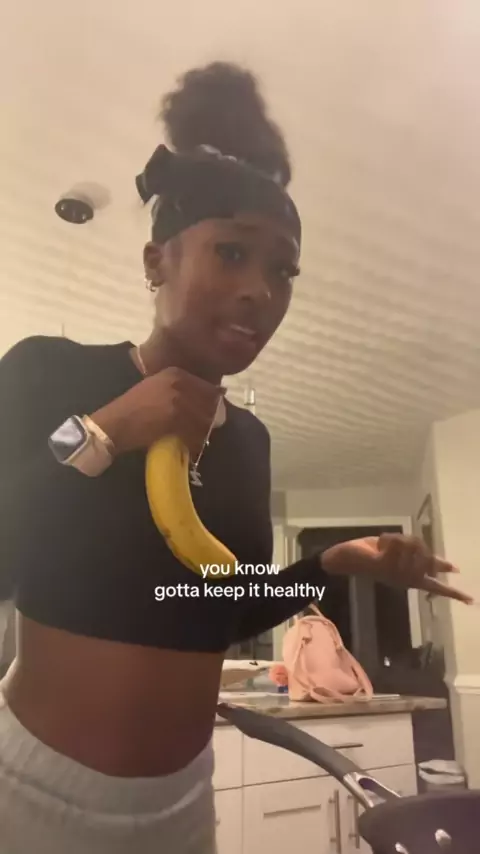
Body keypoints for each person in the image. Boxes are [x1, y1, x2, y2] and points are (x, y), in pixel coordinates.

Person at [0, 62, 471, 854]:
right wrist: (101, 433)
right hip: (31, 795)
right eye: (230, 252)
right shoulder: (50, 371)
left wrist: (334, 562)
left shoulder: (249, 443)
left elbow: (220, 606)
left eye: (283, 269)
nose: (262, 290)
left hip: (185, 804)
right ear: (156, 262)